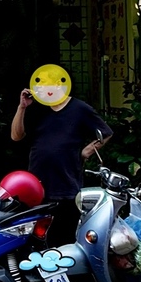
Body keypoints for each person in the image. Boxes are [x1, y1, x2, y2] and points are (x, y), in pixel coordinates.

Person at [10, 64, 112, 246]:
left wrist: (86, 152)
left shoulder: (79, 108)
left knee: (64, 237)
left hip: (67, 184)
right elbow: (16, 136)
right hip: (37, 185)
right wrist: (22, 107)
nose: (41, 89)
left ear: (58, 85)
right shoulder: (37, 108)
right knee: (35, 238)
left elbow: (105, 132)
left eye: (45, 85)